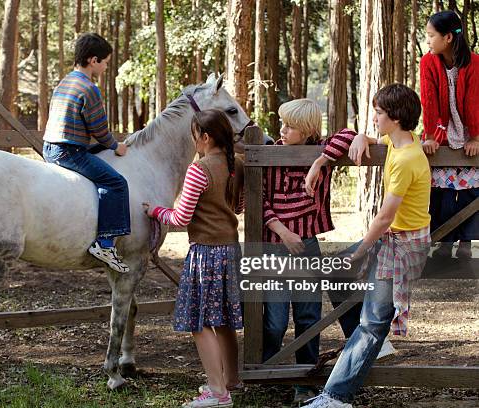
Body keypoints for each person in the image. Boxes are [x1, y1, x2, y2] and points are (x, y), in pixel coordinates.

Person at [303, 84, 431, 408]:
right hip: (392, 239)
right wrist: (363, 137)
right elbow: (374, 139)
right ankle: (377, 343)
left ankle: (335, 397)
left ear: (396, 117)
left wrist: (358, 254)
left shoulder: (406, 158)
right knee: (336, 276)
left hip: (403, 246)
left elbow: (385, 218)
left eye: (379, 113)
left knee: (372, 321)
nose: (374, 117)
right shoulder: (401, 141)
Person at [262, 99, 370, 405]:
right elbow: (260, 200)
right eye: (282, 122)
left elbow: (347, 135)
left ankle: (304, 381)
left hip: (308, 244)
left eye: (290, 125)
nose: (282, 129)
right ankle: (267, 368)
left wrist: (321, 161)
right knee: (275, 320)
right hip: (275, 244)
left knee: (309, 315)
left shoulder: (321, 150)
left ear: (308, 130)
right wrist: (283, 232)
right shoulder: (271, 152)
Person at [143, 109, 244, 408]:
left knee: (199, 323)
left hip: (206, 254)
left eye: (194, 136)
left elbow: (181, 217)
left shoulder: (198, 170)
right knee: (223, 320)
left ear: (205, 137)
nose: (193, 142)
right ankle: (231, 381)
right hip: (230, 250)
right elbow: (238, 207)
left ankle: (217, 392)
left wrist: (154, 211)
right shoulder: (235, 164)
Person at [42, 33, 131, 273]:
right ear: (93, 60)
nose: (104, 67)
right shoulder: (89, 89)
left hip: (50, 147)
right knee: (116, 182)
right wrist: (116, 146)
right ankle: (105, 244)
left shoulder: (65, 81)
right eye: (104, 63)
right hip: (69, 152)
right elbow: (100, 131)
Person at [420, 10, 478, 259]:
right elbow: (428, 99)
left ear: (448, 38)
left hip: (469, 132)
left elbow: (476, 101)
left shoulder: (475, 63)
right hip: (441, 132)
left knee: (471, 189)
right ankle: (442, 242)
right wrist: (431, 135)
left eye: (431, 36)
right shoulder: (428, 62)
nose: (428, 41)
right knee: (440, 190)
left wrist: (476, 137)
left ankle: (466, 242)